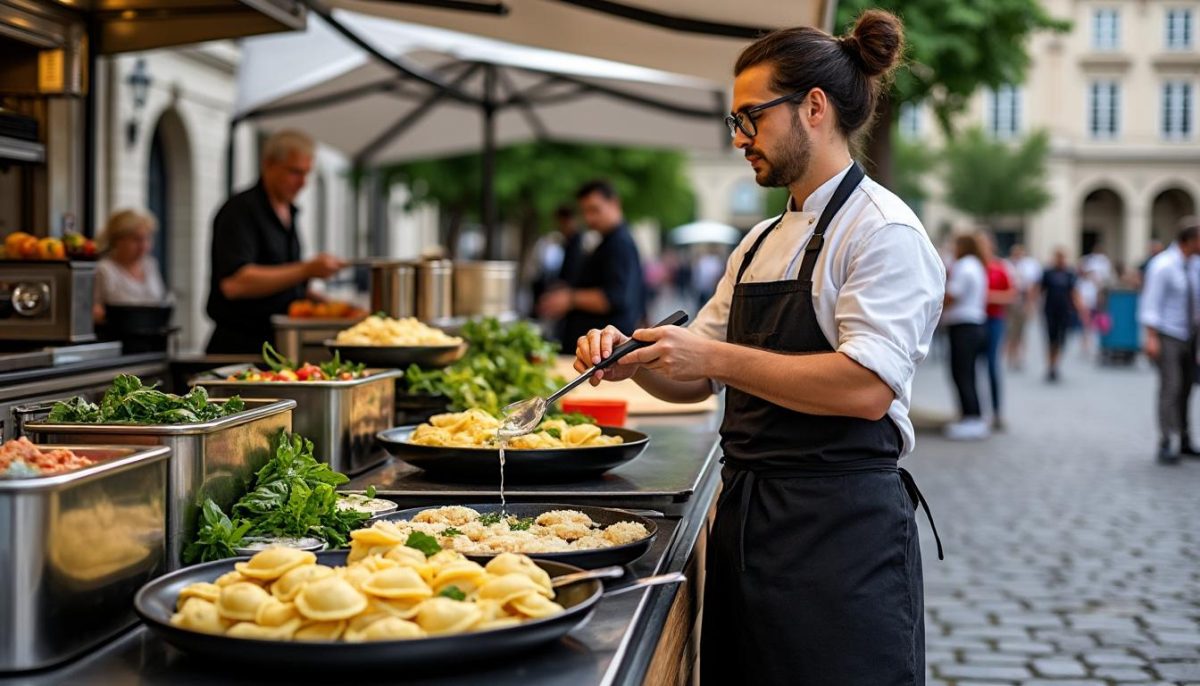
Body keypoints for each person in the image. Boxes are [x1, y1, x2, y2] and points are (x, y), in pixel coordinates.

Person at [574, 11, 945, 684]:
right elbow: (694, 378)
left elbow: (865, 388)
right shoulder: (756, 243)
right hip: (748, 523)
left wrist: (710, 358)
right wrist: (633, 360)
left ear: (813, 107)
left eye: (752, 116)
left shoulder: (884, 232)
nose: (741, 137)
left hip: (841, 536)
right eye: (734, 122)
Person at [205, 130, 344, 353]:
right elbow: (235, 283)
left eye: (306, 174)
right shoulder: (240, 210)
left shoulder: (290, 212)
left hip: (281, 345)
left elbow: (286, 284)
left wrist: (331, 306)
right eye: (295, 172)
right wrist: (306, 269)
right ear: (268, 164)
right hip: (240, 349)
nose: (303, 183)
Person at [538, 180, 645, 352]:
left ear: (615, 203)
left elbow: (613, 297)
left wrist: (569, 299)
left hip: (604, 352)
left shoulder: (619, 243)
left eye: (595, 210)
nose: (589, 218)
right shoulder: (610, 240)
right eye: (585, 212)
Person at [1139, 222, 1200, 464]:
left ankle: (1184, 438)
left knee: (1187, 387)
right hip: (1168, 334)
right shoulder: (1163, 265)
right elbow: (1151, 304)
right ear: (1190, 240)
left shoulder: (1194, 266)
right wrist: (1151, 337)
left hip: (1190, 334)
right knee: (1170, 387)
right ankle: (1165, 440)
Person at [942, 233, 990, 440]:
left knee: (962, 373)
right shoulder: (976, 265)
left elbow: (952, 295)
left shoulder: (964, 266)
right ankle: (971, 416)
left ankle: (971, 418)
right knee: (967, 372)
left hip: (964, 326)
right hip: (974, 324)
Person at [92, 209, 168, 323]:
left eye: (147, 238)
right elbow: (94, 310)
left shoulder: (150, 265)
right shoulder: (104, 269)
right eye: (136, 240)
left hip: (152, 335)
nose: (144, 246)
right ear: (117, 240)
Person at [1032, 247, 1088, 382]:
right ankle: (1051, 365)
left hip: (1065, 311)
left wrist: (1082, 310)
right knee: (1051, 339)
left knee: (1062, 339)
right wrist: (1032, 305)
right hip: (1050, 310)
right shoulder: (1048, 273)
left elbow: (1074, 293)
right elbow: (1039, 289)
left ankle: (1055, 363)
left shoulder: (1069, 274)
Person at [980, 232, 1016, 430]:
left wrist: (987, 296)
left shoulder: (999, 268)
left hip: (994, 320)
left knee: (992, 365)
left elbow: (1010, 295)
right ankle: (976, 412)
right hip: (975, 321)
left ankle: (996, 412)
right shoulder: (974, 267)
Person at [1004, 243, 1042, 370]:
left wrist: (1030, 304)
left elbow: (1032, 287)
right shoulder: (1007, 265)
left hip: (1022, 300)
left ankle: (1020, 356)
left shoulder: (1028, 266)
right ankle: (1011, 356)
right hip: (1010, 301)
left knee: (1022, 331)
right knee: (1010, 331)